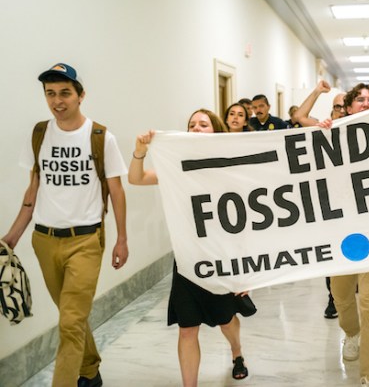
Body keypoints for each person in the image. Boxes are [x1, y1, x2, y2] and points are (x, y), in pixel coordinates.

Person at [1, 62, 129, 387]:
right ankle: (90, 370)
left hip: (86, 240)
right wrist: (12, 236)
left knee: (70, 321)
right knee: (71, 316)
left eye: (65, 93)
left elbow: (116, 191)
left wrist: (122, 239)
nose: (58, 101)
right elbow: (33, 190)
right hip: (44, 240)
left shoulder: (101, 137)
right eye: (50, 94)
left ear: (80, 95)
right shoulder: (40, 134)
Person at [129, 109, 252, 386]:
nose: (196, 128)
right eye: (191, 124)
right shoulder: (177, 165)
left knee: (226, 319)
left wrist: (245, 269)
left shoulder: (230, 165)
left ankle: (237, 352)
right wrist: (139, 152)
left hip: (223, 256)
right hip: (188, 259)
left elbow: (245, 221)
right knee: (187, 330)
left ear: (215, 130)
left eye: (203, 124)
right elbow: (136, 179)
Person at [320, 83, 369, 387]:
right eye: (359, 99)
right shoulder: (331, 136)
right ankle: (352, 333)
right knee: (341, 295)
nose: (365, 103)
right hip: (341, 234)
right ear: (347, 107)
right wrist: (319, 136)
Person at [290, 80, 346, 319]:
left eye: (345, 106)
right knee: (333, 253)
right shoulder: (324, 127)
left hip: (361, 201)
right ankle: (333, 297)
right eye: (337, 107)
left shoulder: (366, 124)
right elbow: (300, 117)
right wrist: (317, 92)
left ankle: (349, 289)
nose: (341, 111)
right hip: (331, 202)